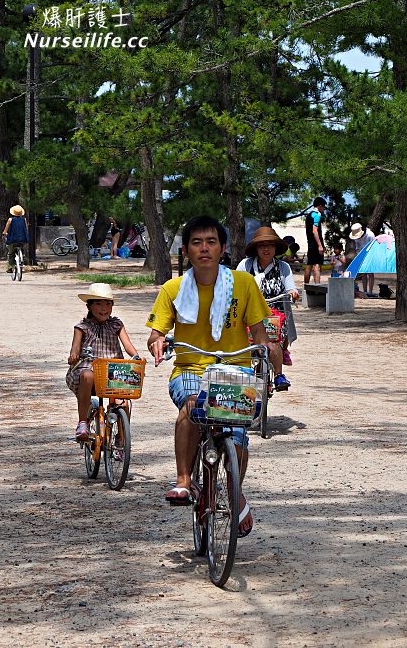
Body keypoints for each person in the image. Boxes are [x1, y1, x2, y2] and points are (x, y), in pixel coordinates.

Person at [146, 215, 272, 537]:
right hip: (189, 369)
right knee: (191, 405)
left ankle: (234, 490)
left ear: (223, 248)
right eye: (197, 242)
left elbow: (259, 332)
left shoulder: (243, 285)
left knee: (238, 434)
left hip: (235, 368)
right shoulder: (172, 289)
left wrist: (267, 352)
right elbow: (156, 332)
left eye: (211, 242)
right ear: (187, 250)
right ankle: (184, 481)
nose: (204, 248)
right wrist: (158, 341)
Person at [66, 283, 141, 441]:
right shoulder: (82, 327)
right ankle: (82, 422)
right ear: (89, 306)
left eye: (108, 304)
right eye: (98, 304)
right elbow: (75, 348)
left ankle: (121, 438)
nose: (103, 308)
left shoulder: (116, 325)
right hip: (88, 370)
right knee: (87, 375)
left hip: (113, 372)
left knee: (124, 404)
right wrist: (73, 355)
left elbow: (128, 345)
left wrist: (136, 356)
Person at [236, 226, 299, 390]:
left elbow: (291, 286)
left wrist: (292, 292)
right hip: (249, 314)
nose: (266, 248)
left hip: (276, 316)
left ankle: (278, 375)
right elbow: (235, 285)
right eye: (262, 245)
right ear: (256, 248)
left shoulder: (283, 267)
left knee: (273, 341)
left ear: (276, 248)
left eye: (270, 245)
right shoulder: (246, 265)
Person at [348, 222, 376, 296]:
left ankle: (370, 291)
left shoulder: (370, 235)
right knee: (363, 273)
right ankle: (365, 291)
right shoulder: (356, 237)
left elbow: (374, 246)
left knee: (370, 273)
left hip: (370, 253)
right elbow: (357, 248)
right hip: (361, 254)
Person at [304, 196, 326, 286]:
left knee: (309, 265)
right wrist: (320, 245)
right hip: (316, 244)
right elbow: (314, 230)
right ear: (320, 206)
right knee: (317, 266)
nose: (324, 209)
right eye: (323, 207)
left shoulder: (309, 215)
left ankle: (306, 286)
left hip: (310, 243)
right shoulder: (317, 215)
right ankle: (317, 287)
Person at [2, 204, 29, 272]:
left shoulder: (10, 219)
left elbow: (6, 229)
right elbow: (26, 228)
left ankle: (10, 267)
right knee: (22, 248)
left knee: (11, 253)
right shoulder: (24, 220)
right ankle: (23, 257)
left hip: (12, 239)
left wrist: (4, 233)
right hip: (23, 239)